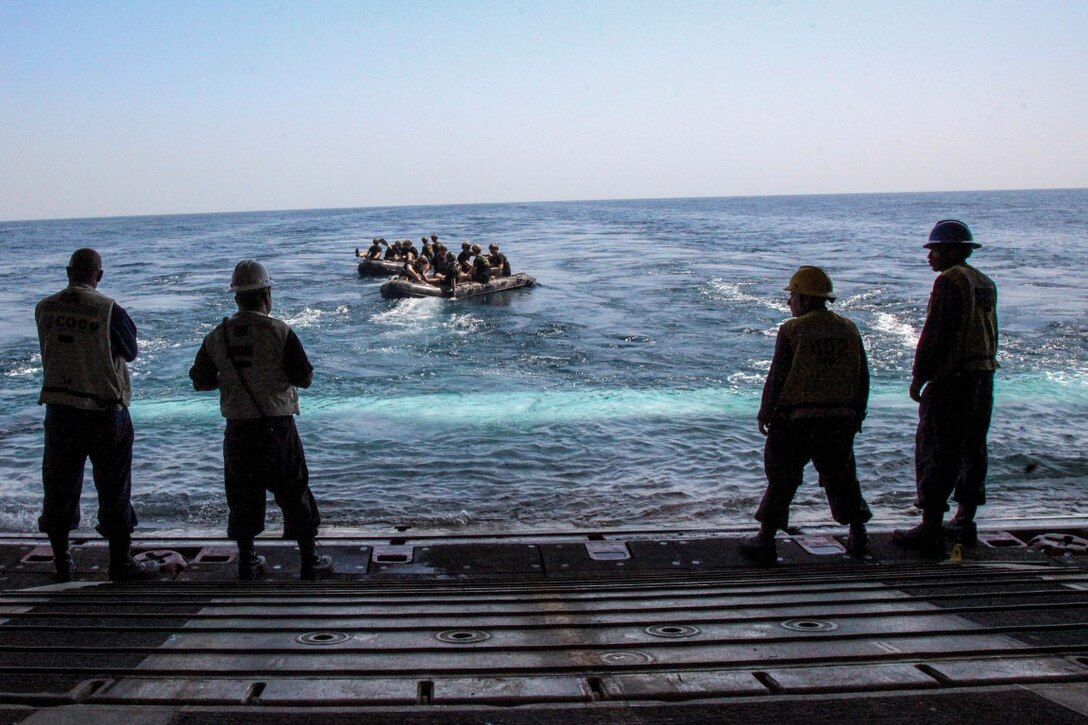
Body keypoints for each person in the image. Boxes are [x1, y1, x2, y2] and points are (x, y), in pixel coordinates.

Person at [189, 260, 334, 581]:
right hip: (277, 426)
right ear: (266, 294)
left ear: (237, 297)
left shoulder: (218, 335)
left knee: (242, 495)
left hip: (238, 428)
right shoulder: (279, 331)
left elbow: (200, 380)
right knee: (294, 491)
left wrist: (231, 380)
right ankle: (310, 560)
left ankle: (248, 561)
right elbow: (304, 378)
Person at [35, 248, 159, 582]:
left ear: (68, 271)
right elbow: (130, 352)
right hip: (104, 412)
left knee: (59, 487)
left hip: (60, 411)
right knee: (114, 488)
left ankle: (62, 562)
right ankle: (120, 563)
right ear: (99, 276)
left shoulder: (44, 308)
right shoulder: (109, 311)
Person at [741, 266, 872, 563]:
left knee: (782, 479)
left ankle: (765, 539)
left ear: (803, 298)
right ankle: (858, 534)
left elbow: (778, 376)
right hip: (839, 420)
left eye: (792, 296)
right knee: (843, 477)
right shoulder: (849, 328)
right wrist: (857, 415)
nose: (789, 303)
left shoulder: (792, 330)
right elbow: (863, 375)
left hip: (796, 420)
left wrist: (765, 412)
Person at [893, 220, 998, 557]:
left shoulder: (948, 282)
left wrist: (919, 376)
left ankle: (930, 524)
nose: (930, 256)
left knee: (936, 449)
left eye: (934, 249)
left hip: (953, 379)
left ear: (953, 250)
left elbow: (936, 333)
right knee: (973, 449)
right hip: (983, 376)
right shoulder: (984, 282)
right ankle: (964, 519)